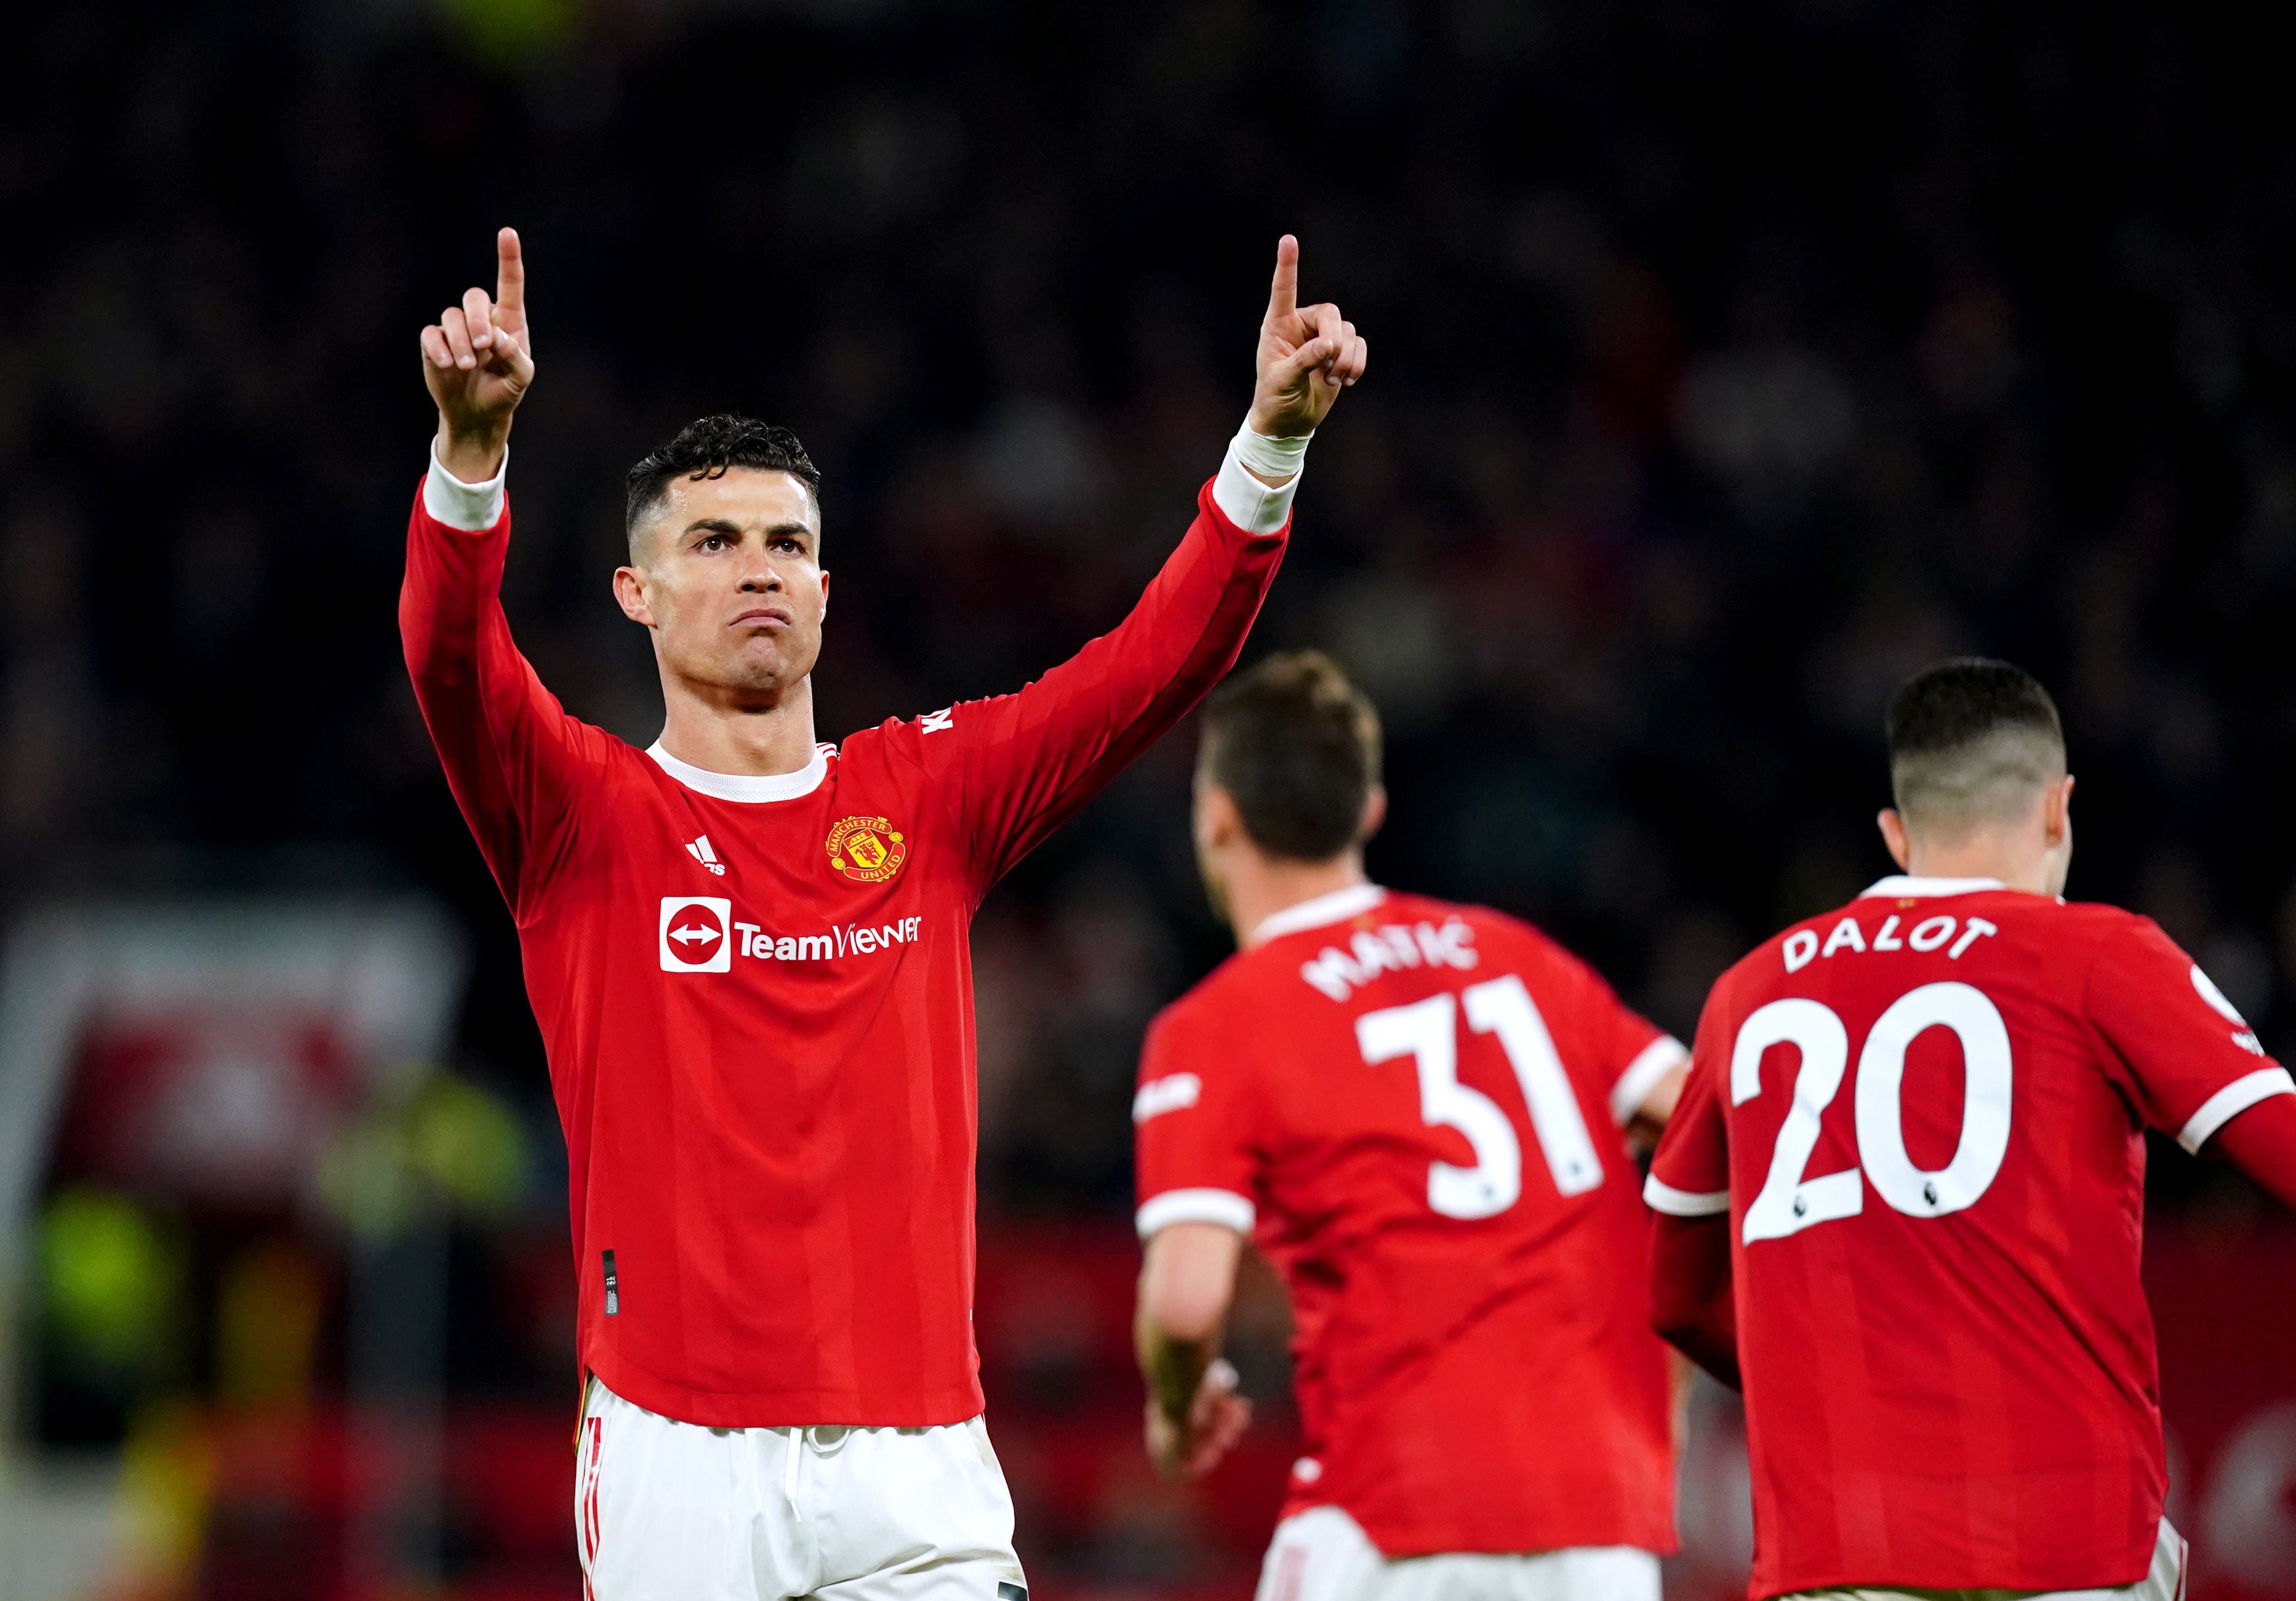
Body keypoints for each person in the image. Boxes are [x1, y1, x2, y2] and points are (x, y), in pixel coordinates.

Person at [401, 226, 1366, 1600]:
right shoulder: (582, 815)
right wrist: (470, 460)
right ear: (637, 592)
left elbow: (1157, 660)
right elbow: (451, 659)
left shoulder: (927, 796)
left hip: (916, 1463)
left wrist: (1270, 441)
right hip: (678, 1459)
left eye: (788, 543)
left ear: (826, 589)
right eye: (715, 540)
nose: (757, 568)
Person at [1645, 657, 2296, 1601]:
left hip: (1839, 1552)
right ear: (2058, 809)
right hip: (2071, 1550)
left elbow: (1671, 1292)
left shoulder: (1747, 995)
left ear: (1896, 832)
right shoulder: (2098, 955)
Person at [1129, 651, 1691, 1601]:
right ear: (1371, 811)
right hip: (1601, 1510)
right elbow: (1708, 1121)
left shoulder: (1218, 1025)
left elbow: (1186, 1304)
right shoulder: (1524, 959)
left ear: (1215, 817)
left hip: (1395, 1505)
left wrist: (1176, 1410)